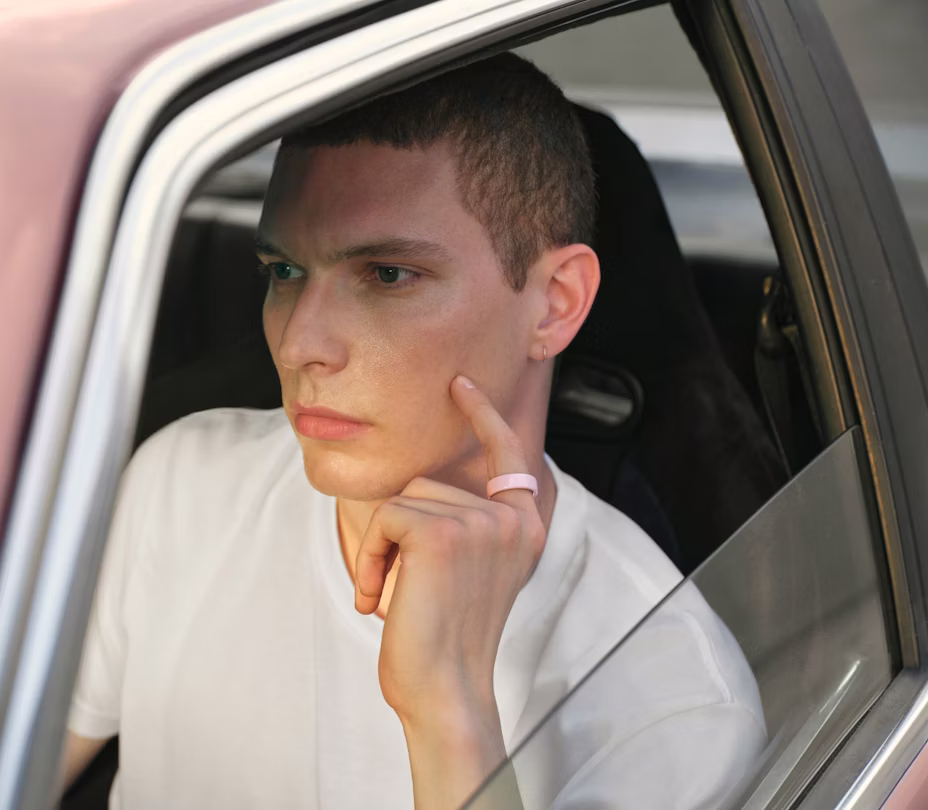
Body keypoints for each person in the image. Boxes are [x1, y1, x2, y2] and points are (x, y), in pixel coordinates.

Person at [61, 53, 766, 809]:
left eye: (387, 275)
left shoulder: (672, 702)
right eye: (283, 271)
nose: (300, 345)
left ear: (556, 304)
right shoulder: (181, 483)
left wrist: (447, 710)